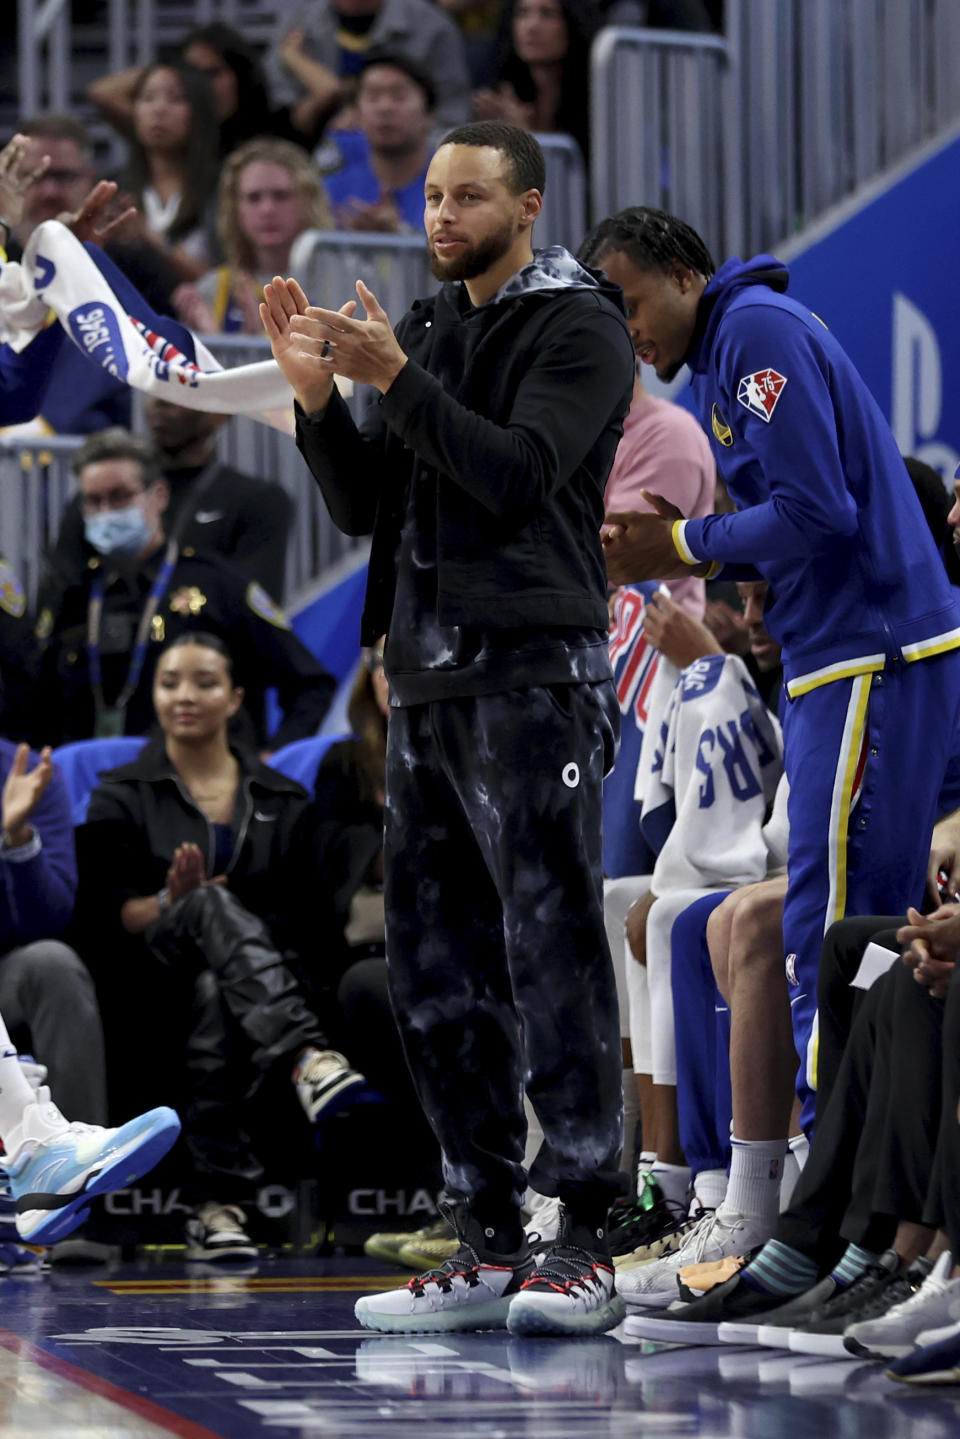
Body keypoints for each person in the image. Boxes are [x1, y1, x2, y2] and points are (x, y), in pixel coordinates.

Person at [261, 120, 636, 1335]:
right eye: (429, 196)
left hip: (535, 670)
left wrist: (393, 382)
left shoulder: (578, 323)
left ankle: (586, 1220)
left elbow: (519, 472)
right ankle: (484, 1227)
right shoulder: (426, 326)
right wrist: (322, 399)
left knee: (552, 944)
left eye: (466, 197)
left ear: (527, 205)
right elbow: (371, 496)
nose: (439, 216)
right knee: (433, 968)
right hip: (421, 682)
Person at [591, 205, 960, 1140]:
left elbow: (820, 511)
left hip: (867, 649)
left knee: (826, 931)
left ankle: (817, 1192)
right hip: (845, 648)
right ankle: (849, 1186)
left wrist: (680, 539)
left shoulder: (755, 330)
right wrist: (705, 546)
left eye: (631, 303)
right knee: (859, 930)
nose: (630, 334)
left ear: (682, 273)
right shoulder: (728, 354)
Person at [76, 632, 372, 1260]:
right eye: (169, 682)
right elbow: (108, 919)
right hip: (151, 977)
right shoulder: (120, 794)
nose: (185, 696)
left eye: (204, 682)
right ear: (154, 696)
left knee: (218, 986)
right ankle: (305, 1057)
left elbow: (311, 916)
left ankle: (216, 1208)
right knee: (204, 904)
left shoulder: (283, 798)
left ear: (235, 697)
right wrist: (168, 903)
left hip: (253, 980)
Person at [33, 428, 335, 750]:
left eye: (121, 496)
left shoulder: (219, 586)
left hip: (198, 782)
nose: (106, 511)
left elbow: (310, 684)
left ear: (159, 496)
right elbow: (36, 702)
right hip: (87, 782)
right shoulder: (71, 597)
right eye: (94, 501)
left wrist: (273, 762)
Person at [45, 396, 293, 603]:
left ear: (220, 413)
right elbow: (57, 589)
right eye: (153, 389)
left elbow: (254, 604)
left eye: (180, 389)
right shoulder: (99, 497)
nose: (159, 402)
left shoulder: (256, 500)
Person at [0, 739, 108, 1129]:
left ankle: (76, 1171)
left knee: (53, 964)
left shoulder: (27, 774)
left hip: (6, 970)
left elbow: (49, 918)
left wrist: (18, 837)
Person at [175, 138, 334, 336]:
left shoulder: (341, 283)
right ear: (235, 209)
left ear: (308, 202)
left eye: (281, 195)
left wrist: (259, 338)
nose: (267, 209)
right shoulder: (212, 291)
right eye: (253, 198)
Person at [88, 23, 298, 162]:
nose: (202, 85)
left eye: (212, 73)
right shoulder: (174, 133)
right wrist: (168, 70)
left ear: (241, 74)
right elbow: (102, 92)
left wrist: (291, 55)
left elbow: (328, 92)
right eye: (192, 74)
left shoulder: (275, 129)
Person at [263, 0, 472, 138]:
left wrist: (390, 127)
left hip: (416, 158)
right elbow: (281, 120)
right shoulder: (297, 24)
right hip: (316, 160)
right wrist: (325, 95)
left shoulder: (432, 27)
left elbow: (452, 118)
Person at [116, 62, 221, 283]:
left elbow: (229, 284)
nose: (159, 109)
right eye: (147, 98)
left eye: (175, 98)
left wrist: (152, 242)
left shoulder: (222, 188)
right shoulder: (116, 187)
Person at [324, 53, 436, 234]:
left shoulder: (455, 191)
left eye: (399, 97)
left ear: (429, 114)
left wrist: (400, 234)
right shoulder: (330, 190)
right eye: (373, 97)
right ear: (357, 114)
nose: (385, 108)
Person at [474, 0, 598, 160]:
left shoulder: (596, 98)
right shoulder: (501, 97)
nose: (531, 27)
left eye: (547, 14)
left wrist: (523, 135)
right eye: (522, 14)